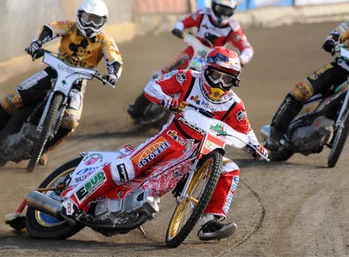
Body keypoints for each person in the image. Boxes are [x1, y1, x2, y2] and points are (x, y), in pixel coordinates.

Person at [60, 47, 268, 241]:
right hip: (169, 138)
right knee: (124, 170)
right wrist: (169, 102)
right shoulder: (187, 77)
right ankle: (72, 199)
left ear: (234, 81)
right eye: (216, 75)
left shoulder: (234, 104)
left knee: (230, 169)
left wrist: (258, 148)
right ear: (206, 70)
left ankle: (210, 222)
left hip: (198, 153)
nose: (220, 83)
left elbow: (246, 132)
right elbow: (153, 87)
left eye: (227, 79)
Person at [0, 0, 123, 165]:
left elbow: (114, 57)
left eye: (96, 21)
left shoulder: (105, 40)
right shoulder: (69, 26)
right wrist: (36, 44)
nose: (91, 25)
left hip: (78, 82)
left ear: (104, 21)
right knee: (11, 100)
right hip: (53, 71)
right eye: (87, 19)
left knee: (71, 120)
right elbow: (50, 28)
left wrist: (113, 74)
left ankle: (44, 149)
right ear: (79, 16)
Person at [266, 0, 349, 150]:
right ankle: (275, 133)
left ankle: (343, 131)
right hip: (341, 67)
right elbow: (341, 30)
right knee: (302, 90)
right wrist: (332, 40)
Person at [127, 0, 254, 122]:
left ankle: (192, 119)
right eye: (221, 9)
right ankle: (137, 106)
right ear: (214, 5)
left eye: (227, 11)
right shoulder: (203, 14)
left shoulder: (233, 28)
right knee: (162, 74)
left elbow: (247, 48)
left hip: (214, 62)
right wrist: (178, 29)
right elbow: (183, 22)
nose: (223, 14)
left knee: (208, 90)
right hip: (193, 51)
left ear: (232, 11)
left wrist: (241, 59)